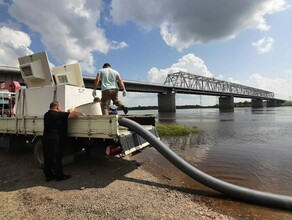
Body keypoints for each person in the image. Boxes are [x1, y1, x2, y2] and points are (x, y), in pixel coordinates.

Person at [42, 101, 82, 182]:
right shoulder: (58, 114)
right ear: (57, 107)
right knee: (57, 158)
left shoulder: (46, 114)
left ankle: (48, 176)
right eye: (59, 107)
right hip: (55, 140)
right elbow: (75, 115)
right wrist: (74, 111)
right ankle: (59, 176)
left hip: (46, 138)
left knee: (47, 158)